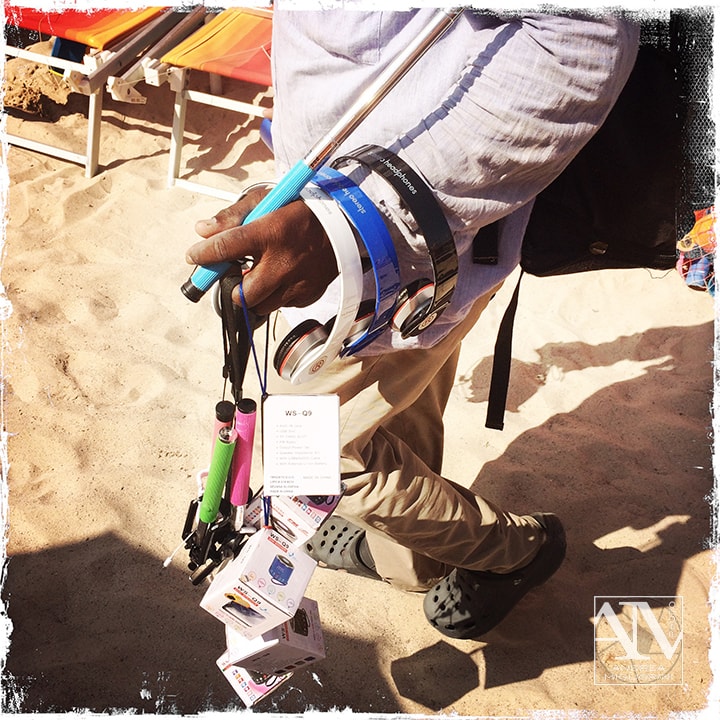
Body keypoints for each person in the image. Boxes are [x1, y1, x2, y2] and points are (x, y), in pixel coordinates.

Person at [185, 6, 640, 639]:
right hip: (344, 219)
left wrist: (354, 220)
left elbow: (585, 36)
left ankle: (514, 553)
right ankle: (417, 560)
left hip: (414, 232)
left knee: (316, 451)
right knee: (401, 402)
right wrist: (301, 194)